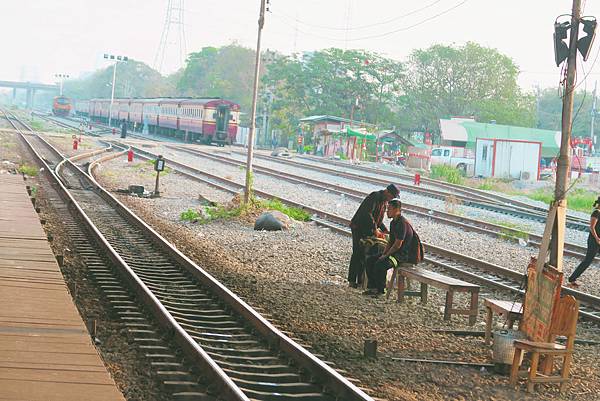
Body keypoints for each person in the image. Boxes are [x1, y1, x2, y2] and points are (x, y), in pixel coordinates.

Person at [364, 198, 423, 296]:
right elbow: (390, 242)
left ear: (396, 210)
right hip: (395, 253)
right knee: (370, 260)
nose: (387, 211)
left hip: (402, 256)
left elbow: (397, 245)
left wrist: (385, 256)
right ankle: (372, 288)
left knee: (380, 264)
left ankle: (380, 290)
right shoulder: (393, 222)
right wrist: (383, 254)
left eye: (389, 209)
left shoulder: (402, 223)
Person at [348, 183, 399, 288]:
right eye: (391, 196)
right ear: (387, 192)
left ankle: (360, 281)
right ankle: (352, 280)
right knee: (357, 253)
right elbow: (367, 214)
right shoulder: (374, 196)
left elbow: (378, 220)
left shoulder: (384, 202)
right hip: (358, 227)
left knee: (364, 254)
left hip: (368, 230)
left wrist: (385, 231)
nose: (390, 199)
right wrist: (375, 228)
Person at [568, 196, 600, 287]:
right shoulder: (596, 212)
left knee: (588, 260)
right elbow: (592, 227)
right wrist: (597, 238)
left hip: (598, 241)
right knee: (587, 261)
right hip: (594, 241)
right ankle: (572, 279)